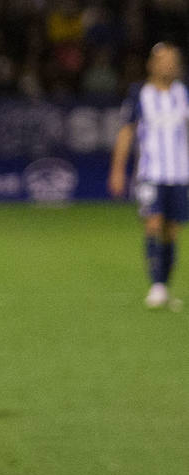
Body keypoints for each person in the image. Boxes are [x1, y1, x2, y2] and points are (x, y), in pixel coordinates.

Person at [108, 42, 189, 311]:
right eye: (164, 60)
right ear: (151, 65)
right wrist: (118, 170)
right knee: (153, 224)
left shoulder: (183, 94)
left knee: (171, 231)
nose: (169, 65)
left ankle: (164, 286)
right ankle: (155, 285)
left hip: (180, 174)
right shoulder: (139, 94)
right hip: (150, 173)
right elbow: (126, 132)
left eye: (173, 60)